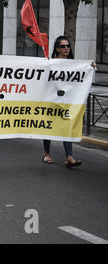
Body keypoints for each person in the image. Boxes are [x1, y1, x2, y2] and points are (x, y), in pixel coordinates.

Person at [42, 36, 96, 168]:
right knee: (48, 126)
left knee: (67, 124)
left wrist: (90, 67)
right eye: (63, 46)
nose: (66, 48)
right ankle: (47, 154)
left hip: (67, 101)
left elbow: (82, 77)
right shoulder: (51, 63)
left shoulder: (74, 64)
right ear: (57, 49)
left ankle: (69, 157)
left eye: (68, 46)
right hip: (52, 100)